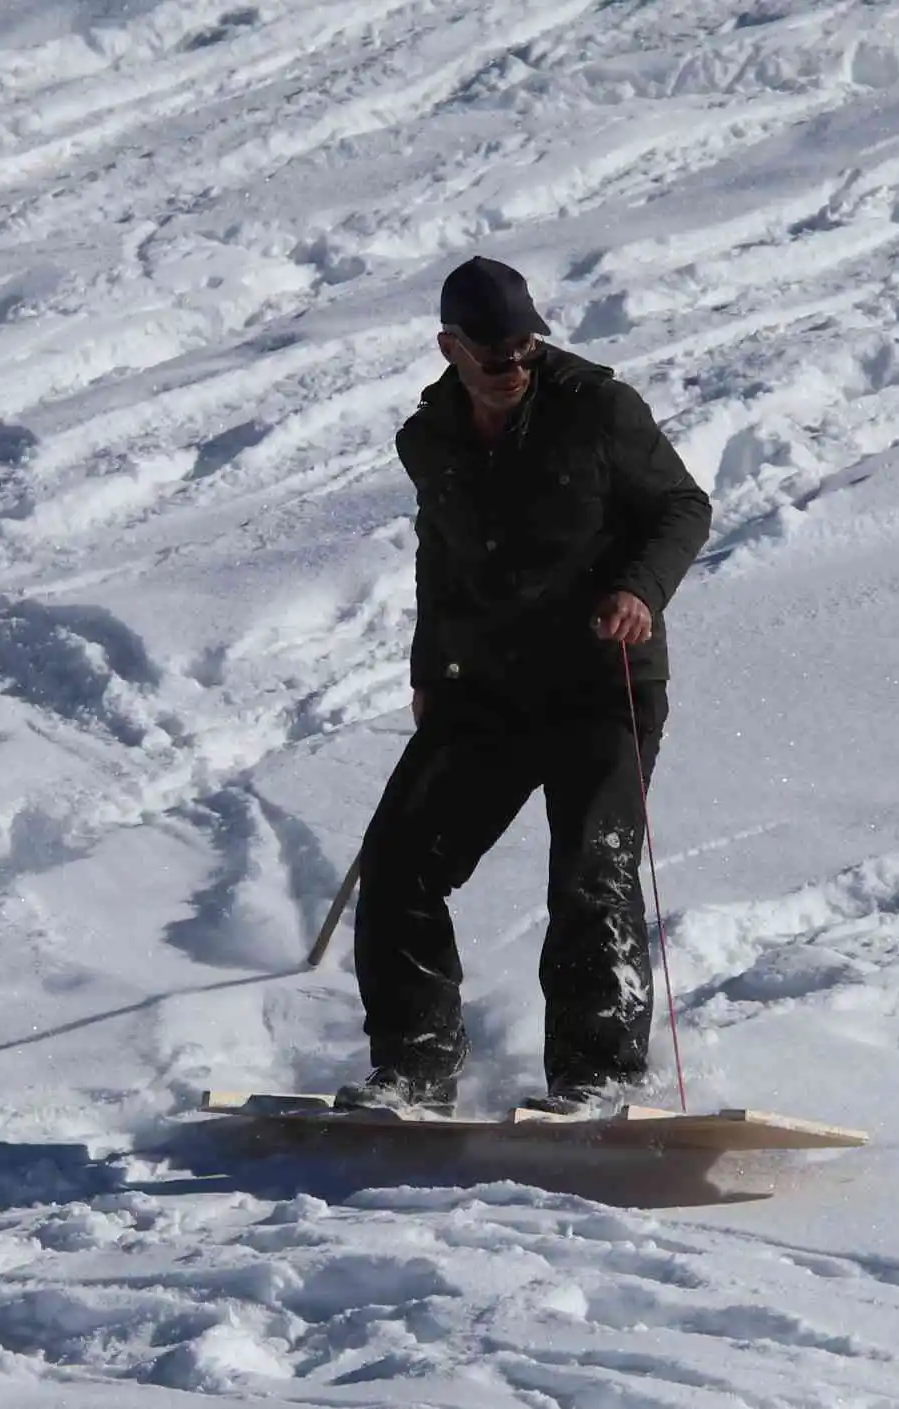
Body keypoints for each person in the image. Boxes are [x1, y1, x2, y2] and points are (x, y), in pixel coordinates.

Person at [335, 256, 712, 1116]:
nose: (512, 365)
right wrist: (431, 669)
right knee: (397, 865)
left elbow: (683, 505)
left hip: (600, 678)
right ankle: (413, 1071)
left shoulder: (600, 409)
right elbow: (441, 557)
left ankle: (598, 1080)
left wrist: (637, 589)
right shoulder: (426, 437)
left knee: (591, 873)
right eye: (492, 352)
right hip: (488, 688)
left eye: (523, 347)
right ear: (449, 347)